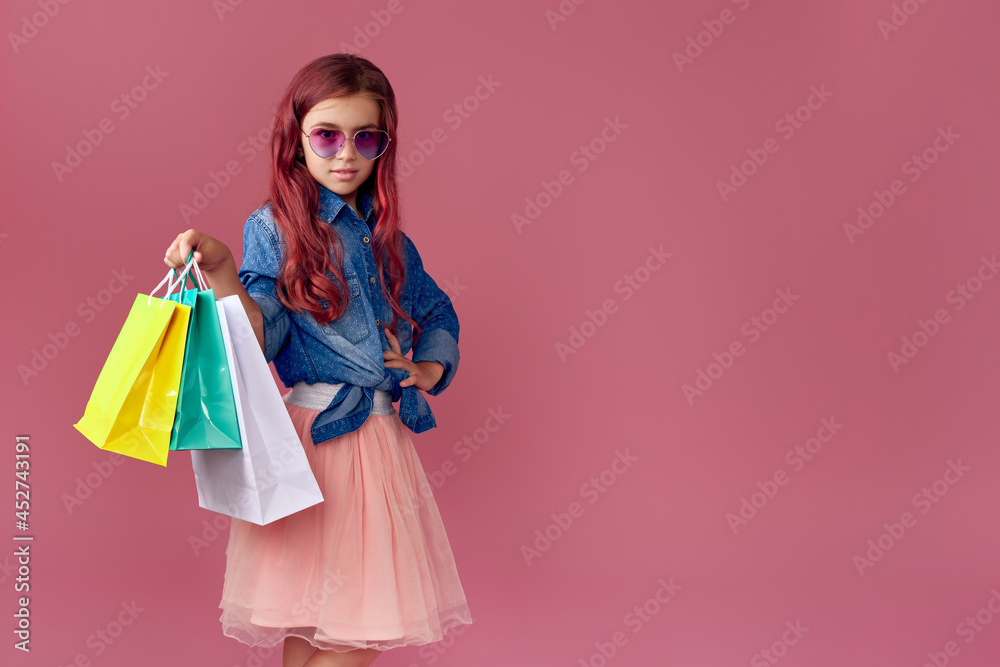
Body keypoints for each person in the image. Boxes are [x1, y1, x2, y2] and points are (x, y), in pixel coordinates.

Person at [163, 53, 472, 667]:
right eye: (327, 135)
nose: (346, 154)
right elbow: (261, 333)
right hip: (312, 443)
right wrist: (223, 269)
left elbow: (438, 314)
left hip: (376, 443)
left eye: (366, 137)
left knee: (337, 629)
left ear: (384, 145)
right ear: (295, 140)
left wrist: (428, 368)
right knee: (324, 631)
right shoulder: (275, 229)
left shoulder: (389, 242)